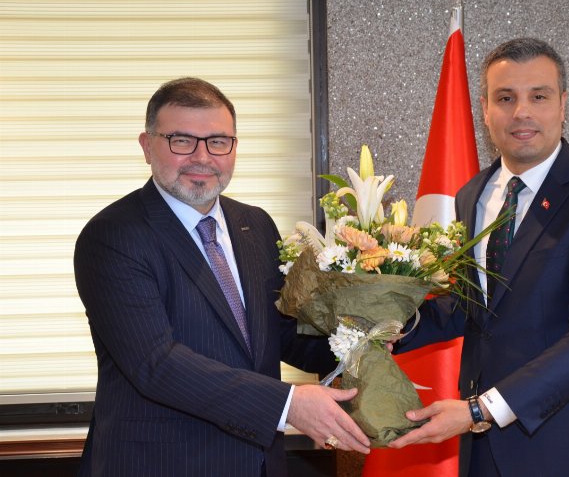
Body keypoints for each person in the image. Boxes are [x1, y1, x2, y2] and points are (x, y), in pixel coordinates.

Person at [74, 77, 370, 477]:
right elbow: (155, 364)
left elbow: (282, 335)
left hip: (258, 463)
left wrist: (364, 335)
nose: (202, 157)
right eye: (181, 141)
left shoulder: (255, 224)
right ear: (147, 146)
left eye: (218, 141)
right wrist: (288, 405)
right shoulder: (114, 236)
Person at [389, 38, 569, 476]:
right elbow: (471, 307)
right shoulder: (472, 195)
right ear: (485, 110)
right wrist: (386, 326)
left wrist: (481, 409)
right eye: (505, 98)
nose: (521, 112)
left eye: (538, 96)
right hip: (484, 450)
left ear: (563, 105)